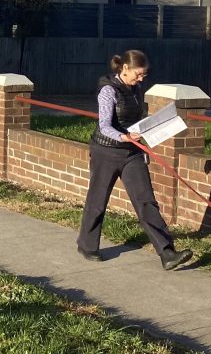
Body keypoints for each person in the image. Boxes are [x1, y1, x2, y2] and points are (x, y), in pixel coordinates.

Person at [76, 50, 193, 271]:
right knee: (98, 199)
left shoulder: (136, 89)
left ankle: (167, 253)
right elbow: (104, 125)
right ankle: (87, 245)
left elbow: (135, 119)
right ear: (125, 69)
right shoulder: (107, 90)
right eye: (138, 75)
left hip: (132, 152)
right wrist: (124, 137)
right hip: (106, 150)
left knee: (146, 200)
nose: (141, 79)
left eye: (144, 76)